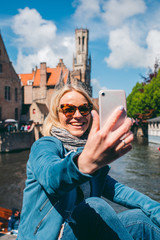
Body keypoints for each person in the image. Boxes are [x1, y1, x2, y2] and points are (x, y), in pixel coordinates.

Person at [17, 83, 160, 240]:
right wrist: (84, 164)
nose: (78, 115)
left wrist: (156, 209)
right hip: (49, 237)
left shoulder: (87, 150)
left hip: (79, 231)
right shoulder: (45, 145)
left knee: (140, 220)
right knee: (95, 206)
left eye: (84, 109)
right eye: (68, 109)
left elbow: (118, 190)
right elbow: (51, 178)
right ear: (57, 114)